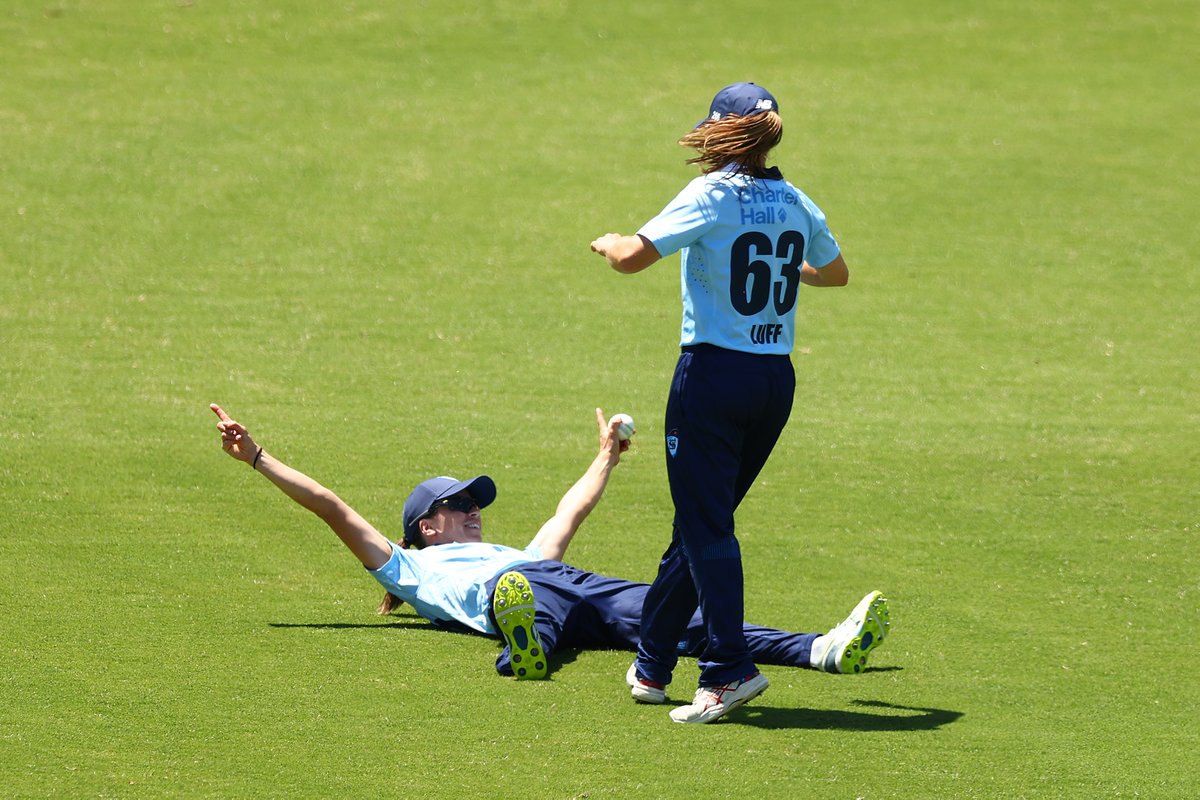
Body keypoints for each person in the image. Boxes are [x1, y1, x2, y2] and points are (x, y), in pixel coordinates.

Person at [210, 403, 889, 709]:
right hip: (514, 593)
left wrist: (605, 458)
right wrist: (259, 457)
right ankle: (523, 649)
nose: (474, 509)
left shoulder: (512, 548)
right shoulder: (407, 567)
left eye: (476, 501)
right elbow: (331, 504)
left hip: (560, 583)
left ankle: (821, 649)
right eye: (458, 505)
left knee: (677, 619)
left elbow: (569, 512)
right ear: (425, 527)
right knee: (517, 600)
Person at [590, 82, 857, 723]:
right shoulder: (795, 200)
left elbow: (631, 258)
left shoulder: (711, 194)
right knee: (699, 522)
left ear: (718, 133)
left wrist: (607, 240)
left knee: (708, 526)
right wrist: (783, 269)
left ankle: (729, 668)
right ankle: (653, 661)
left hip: (711, 378)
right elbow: (837, 272)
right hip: (773, 383)